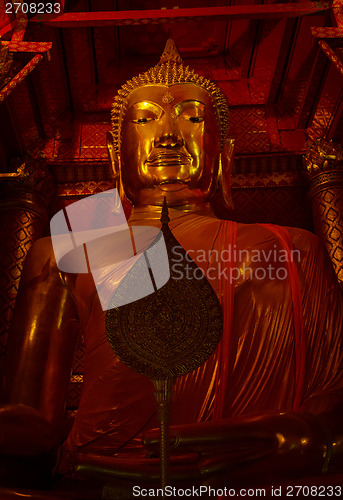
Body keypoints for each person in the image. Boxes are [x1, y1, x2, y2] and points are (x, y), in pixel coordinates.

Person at [1, 40, 343, 488]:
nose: (167, 135)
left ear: (226, 153)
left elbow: (336, 392)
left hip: (258, 475)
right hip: (105, 476)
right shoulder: (64, 252)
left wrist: (310, 435)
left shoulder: (294, 248)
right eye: (144, 119)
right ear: (113, 154)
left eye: (192, 118)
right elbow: (30, 414)